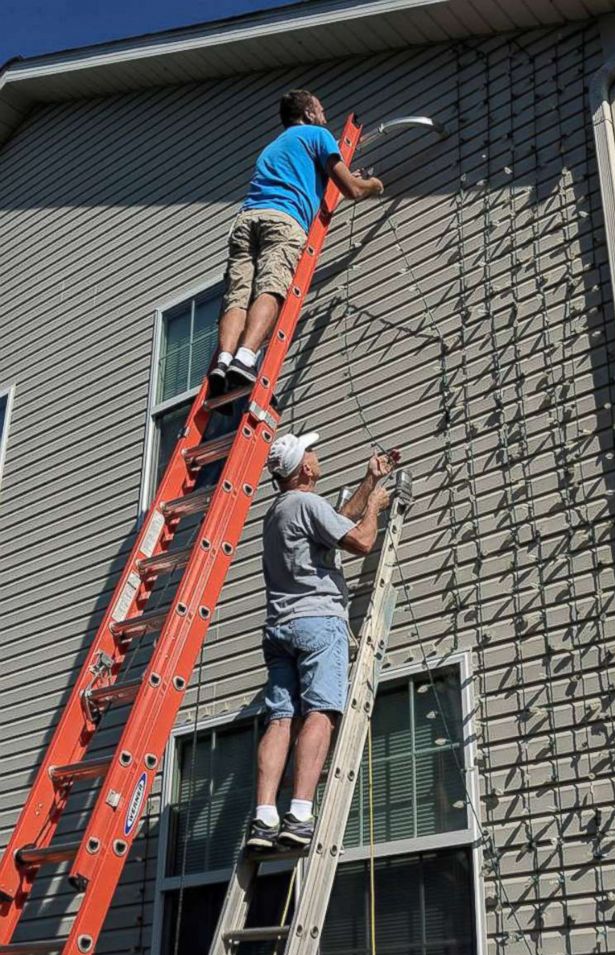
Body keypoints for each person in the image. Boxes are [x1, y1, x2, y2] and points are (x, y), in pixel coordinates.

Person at [247, 431, 400, 848]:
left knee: (281, 719)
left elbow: (335, 524)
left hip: (279, 628)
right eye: (311, 452)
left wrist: (369, 480)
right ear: (305, 469)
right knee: (320, 712)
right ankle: (298, 815)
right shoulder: (306, 503)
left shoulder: (280, 511)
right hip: (317, 623)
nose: (317, 454)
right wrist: (375, 506)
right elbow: (362, 540)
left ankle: (263, 819)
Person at [208, 89, 384, 399]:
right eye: (321, 110)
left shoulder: (274, 148)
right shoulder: (318, 134)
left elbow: (310, 181)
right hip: (282, 220)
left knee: (238, 296)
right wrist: (373, 185)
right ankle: (246, 358)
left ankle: (224, 361)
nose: (324, 116)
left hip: (247, 220)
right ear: (308, 115)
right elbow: (353, 190)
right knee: (271, 287)